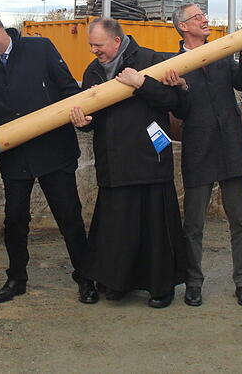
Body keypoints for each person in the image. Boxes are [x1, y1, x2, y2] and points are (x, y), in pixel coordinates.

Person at [0, 9, 97, 305]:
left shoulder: (40, 48)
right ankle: (16, 279)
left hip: (54, 151)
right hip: (16, 158)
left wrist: (83, 117)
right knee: (15, 220)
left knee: (69, 217)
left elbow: (68, 90)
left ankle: (86, 277)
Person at [69, 17, 187, 308]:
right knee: (117, 231)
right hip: (114, 164)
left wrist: (141, 83)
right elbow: (91, 120)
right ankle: (117, 283)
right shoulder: (93, 71)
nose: (94, 51)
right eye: (91, 46)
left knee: (155, 230)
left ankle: (161, 288)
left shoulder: (150, 60)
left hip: (150, 159)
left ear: (117, 41)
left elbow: (175, 102)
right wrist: (82, 122)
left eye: (98, 45)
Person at [160, 3, 242, 308]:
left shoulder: (221, 53)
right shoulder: (173, 64)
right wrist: (182, 89)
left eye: (204, 14)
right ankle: (193, 283)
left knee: (240, 221)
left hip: (231, 147)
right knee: (193, 224)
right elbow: (179, 111)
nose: (205, 20)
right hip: (199, 150)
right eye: (198, 17)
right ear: (183, 26)